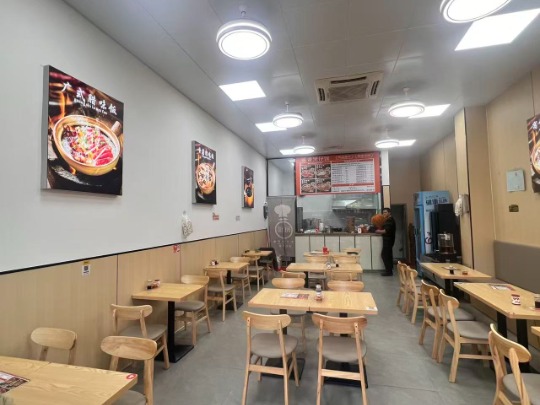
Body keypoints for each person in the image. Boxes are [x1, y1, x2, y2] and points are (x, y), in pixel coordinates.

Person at [376, 208, 396, 276]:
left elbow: (385, 231)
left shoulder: (390, 220)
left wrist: (377, 231)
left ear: (389, 213)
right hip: (388, 240)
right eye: (383, 212)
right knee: (388, 255)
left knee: (384, 255)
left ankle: (388, 272)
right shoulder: (387, 220)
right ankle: (390, 270)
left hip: (388, 240)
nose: (384, 214)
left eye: (385, 212)